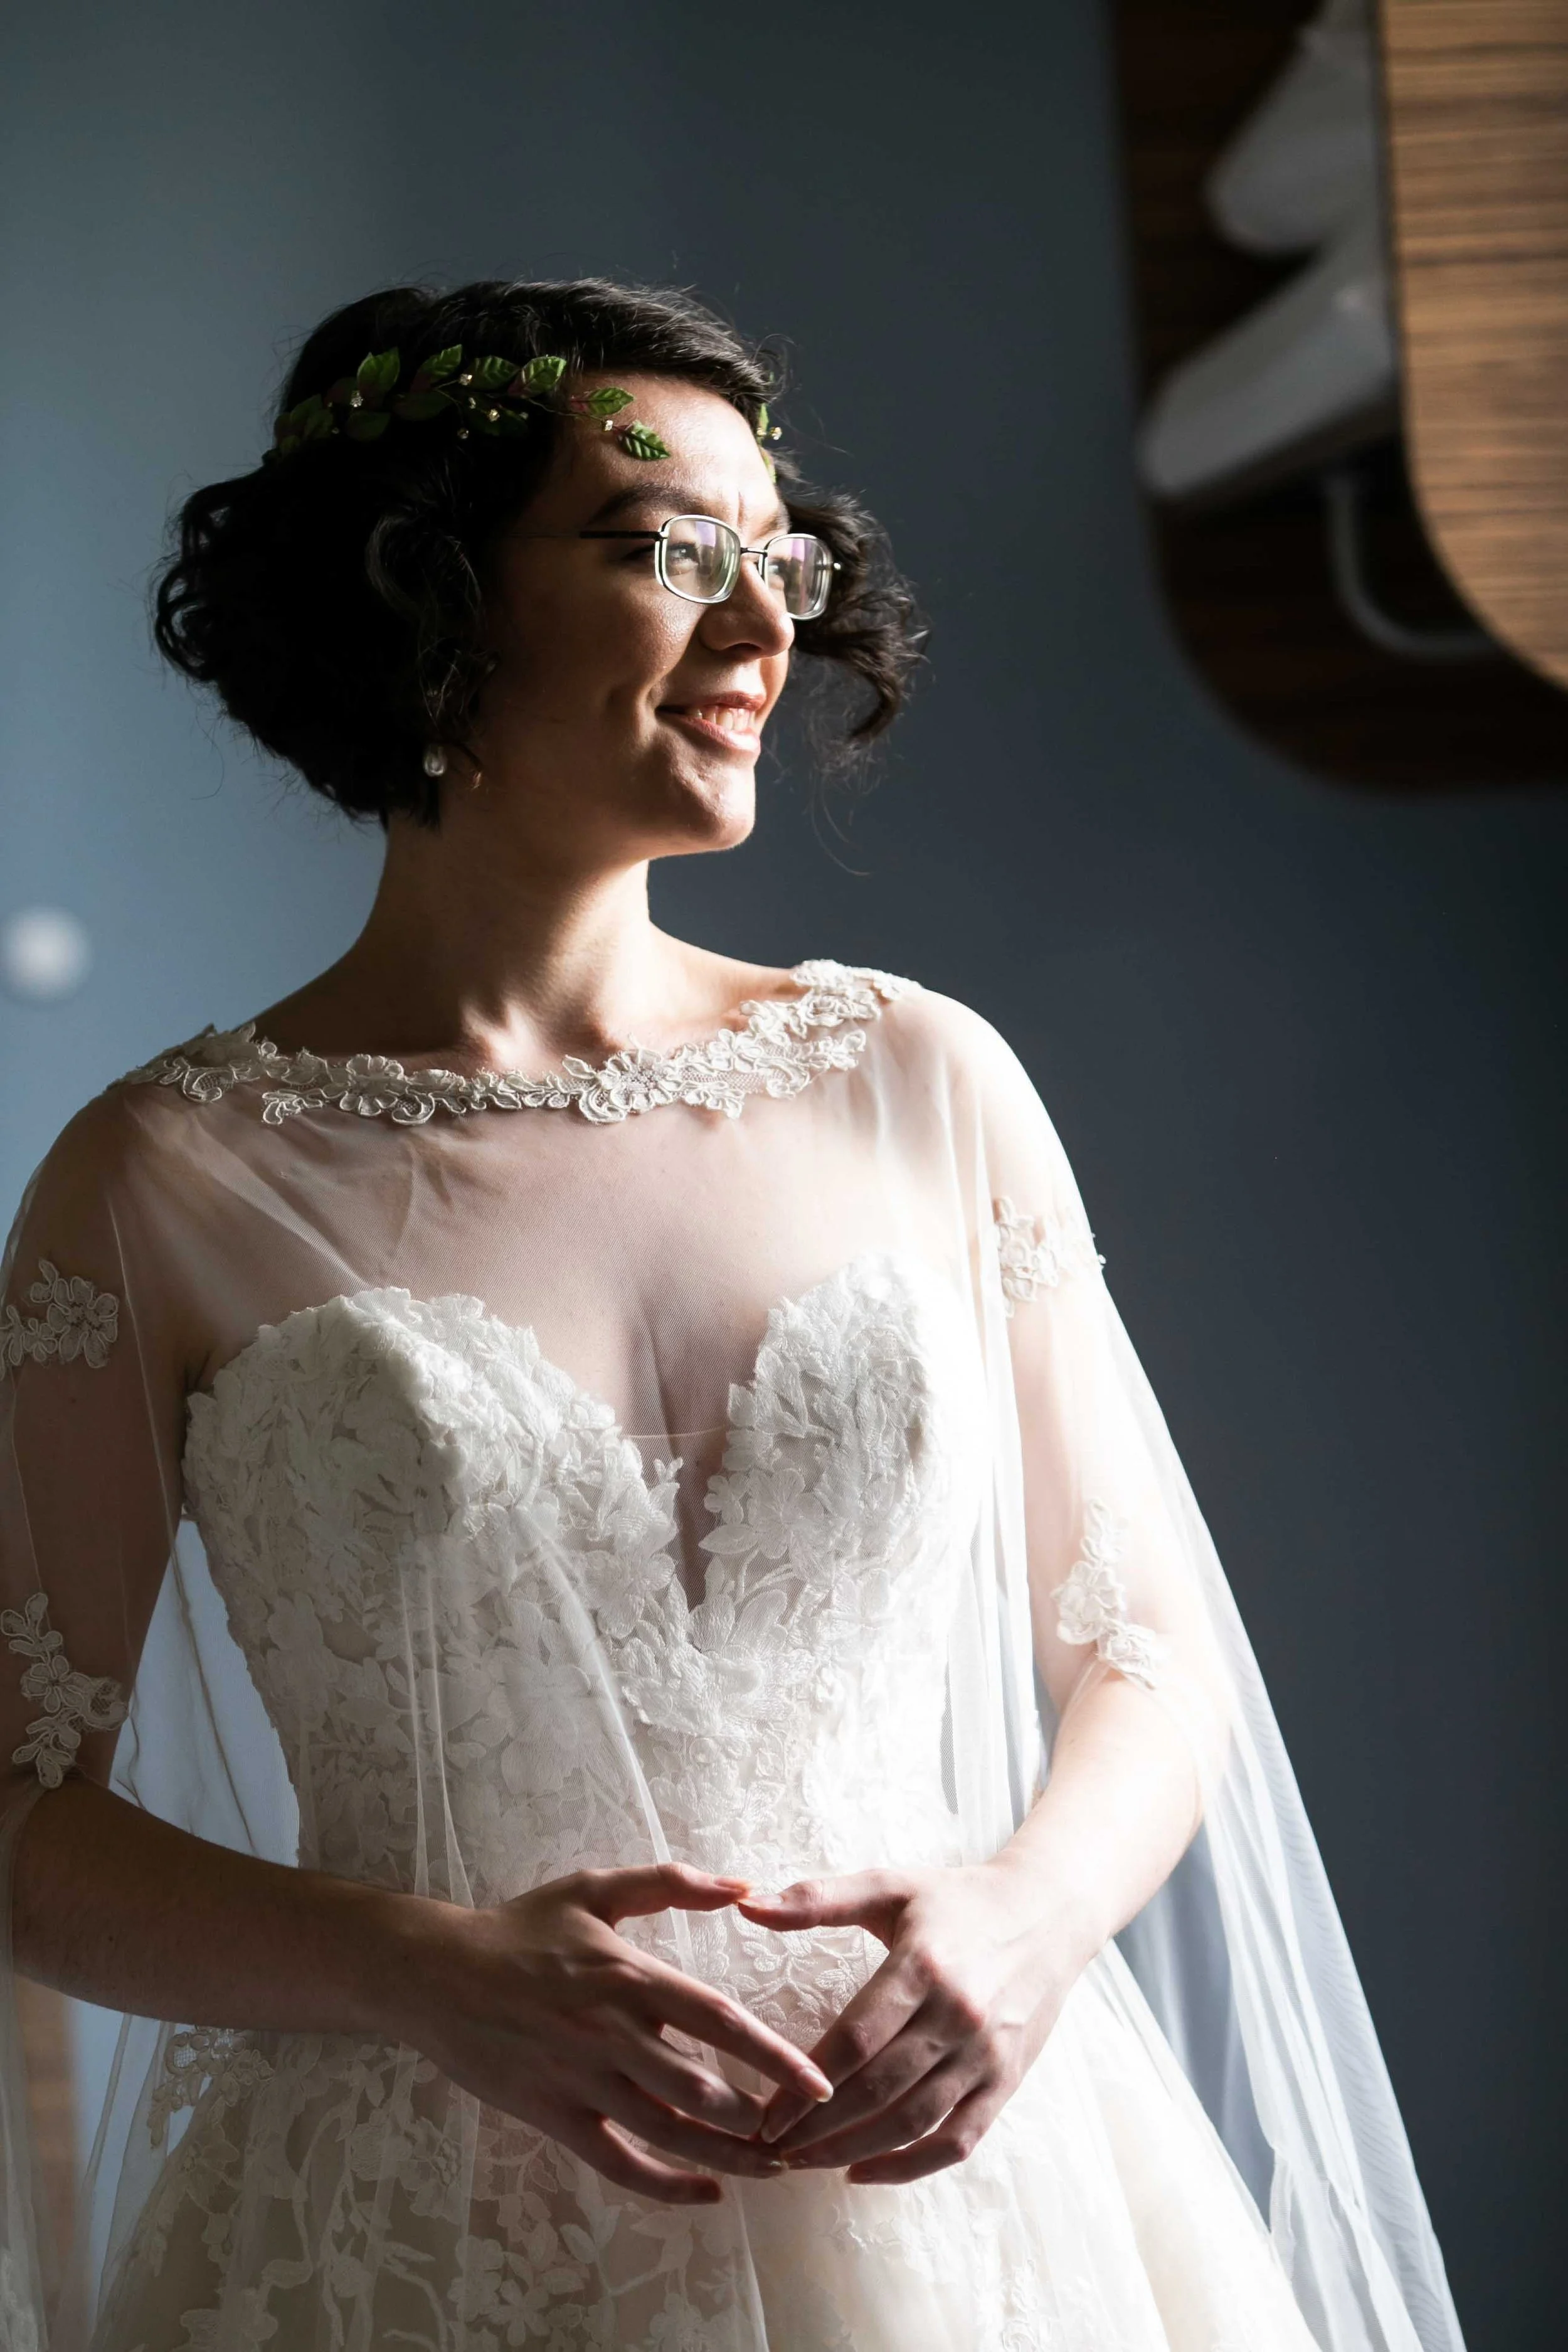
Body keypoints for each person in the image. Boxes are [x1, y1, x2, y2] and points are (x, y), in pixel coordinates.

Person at [0, 275, 1463, 2352]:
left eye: (775, 559)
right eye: (664, 550)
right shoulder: (160, 1180)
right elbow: (16, 1823)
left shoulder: (920, 1076)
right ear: (415, 586)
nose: (767, 625)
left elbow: (1148, 1647)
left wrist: (1026, 1918)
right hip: (404, 2252)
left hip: (964, 2197)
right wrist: (420, 1964)